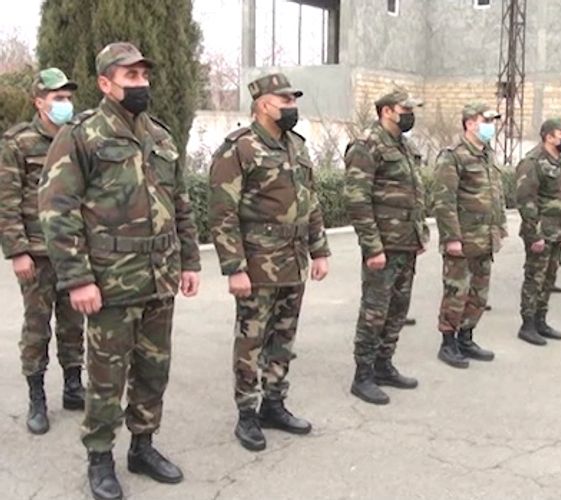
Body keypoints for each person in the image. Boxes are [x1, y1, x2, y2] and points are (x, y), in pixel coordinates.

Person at [38, 42, 201, 500]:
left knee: (153, 368)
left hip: (160, 276)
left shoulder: (161, 136)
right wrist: (78, 278)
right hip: (110, 280)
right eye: (131, 76)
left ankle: (142, 446)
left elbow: (180, 202)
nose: (141, 83)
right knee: (107, 376)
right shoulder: (82, 135)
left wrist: (189, 260)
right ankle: (100, 457)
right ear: (105, 83)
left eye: (144, 75)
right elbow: (57, 210)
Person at [208, 72, 330, 452]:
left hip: (294, 261)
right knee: (251, 340)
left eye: (294, 100)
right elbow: (222, 213)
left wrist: (320, 249)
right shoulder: (239, 148)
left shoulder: (296, 145)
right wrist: (234, 267)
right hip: (258, 264)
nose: (292, 107)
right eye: (285, 100)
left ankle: (274, 403)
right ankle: (247, 413)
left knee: (283, 337)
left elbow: (310, 201)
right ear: (263, 105)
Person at [0, 67, 85, 435]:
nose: (66, 103)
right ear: (39, 102)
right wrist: (17, 251)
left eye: (68, 98)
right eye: (58, 98)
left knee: (73, 323)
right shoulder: (18, 142)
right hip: (36, 253)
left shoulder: (78, 137)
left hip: (74, 250)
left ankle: (73, 386)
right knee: (37, 326)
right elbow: (6, 201)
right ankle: (37, 397)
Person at [344, 90, 429, 405]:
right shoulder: (367, 145)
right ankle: (363, 375)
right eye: (405, 109)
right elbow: (357, 198)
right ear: (387, 111)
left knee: (397, 308)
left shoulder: (405, 146)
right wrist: (372, 247)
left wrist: (419, 235)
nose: (410, 114)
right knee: (375, 310)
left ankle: (383, 364)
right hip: (383, 245)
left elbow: (414, 194)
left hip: (405, 242)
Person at [432, 102, 506, 364]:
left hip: (485, 238)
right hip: (463, 239)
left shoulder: (487, 155)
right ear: (470, 123)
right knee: (457, 292)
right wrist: (451, 237)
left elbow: (496, 195)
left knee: (478, 293)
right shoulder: (453, 156)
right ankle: (448, 343)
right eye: (486, 121)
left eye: (492, 121)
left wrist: (500, 226)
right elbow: (444, 200)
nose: (491, 126)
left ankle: (466, 337)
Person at [515, 117, 561, 345]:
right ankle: (528, 324)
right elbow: (526, 200)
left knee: (549, 278)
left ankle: (541, 320)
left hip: (557, 230)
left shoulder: (559, 162)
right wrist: (534, 234)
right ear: (549, 136)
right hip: (541, 231)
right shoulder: (533, 161)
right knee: (535, 278)